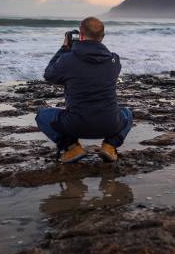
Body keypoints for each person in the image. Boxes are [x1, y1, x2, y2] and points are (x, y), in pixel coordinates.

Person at [35, 17, 133, 163]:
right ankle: (110, 146)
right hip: (110, 124)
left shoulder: (68, 60)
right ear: (103, 37)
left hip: (75, 125)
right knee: (128, 113)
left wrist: (64, 48)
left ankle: (72, 147)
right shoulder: (114, 60)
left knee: (42, 115)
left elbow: (49, 75)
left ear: (80, 35)